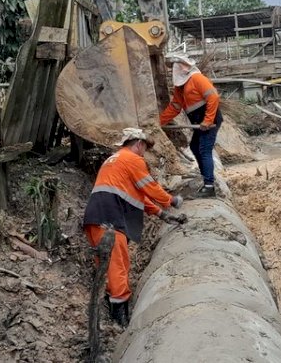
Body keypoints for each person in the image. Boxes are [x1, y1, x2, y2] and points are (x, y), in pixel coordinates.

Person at [82, 128, 185, 326]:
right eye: (144, 148)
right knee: (118, 265)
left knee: (107, 263)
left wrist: (162, 215)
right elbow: (150, 187)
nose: (144, 153)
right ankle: (119, 318)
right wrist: (171, 201)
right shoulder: (132, 159)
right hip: (110, 216)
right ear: (138, 143)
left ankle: (110, 307)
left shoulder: (116, 160)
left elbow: (138, 197)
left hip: (96, 216)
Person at [159, 55, 223, 198]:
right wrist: (159, 121)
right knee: (194, 147)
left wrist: (207, 120)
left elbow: (213, 97)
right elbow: (175, 107)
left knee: (204, 149)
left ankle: (209, 186)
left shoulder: (197, 79)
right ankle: (204, 177)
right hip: (199, 123)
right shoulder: (180, 88)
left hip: (210, 122)